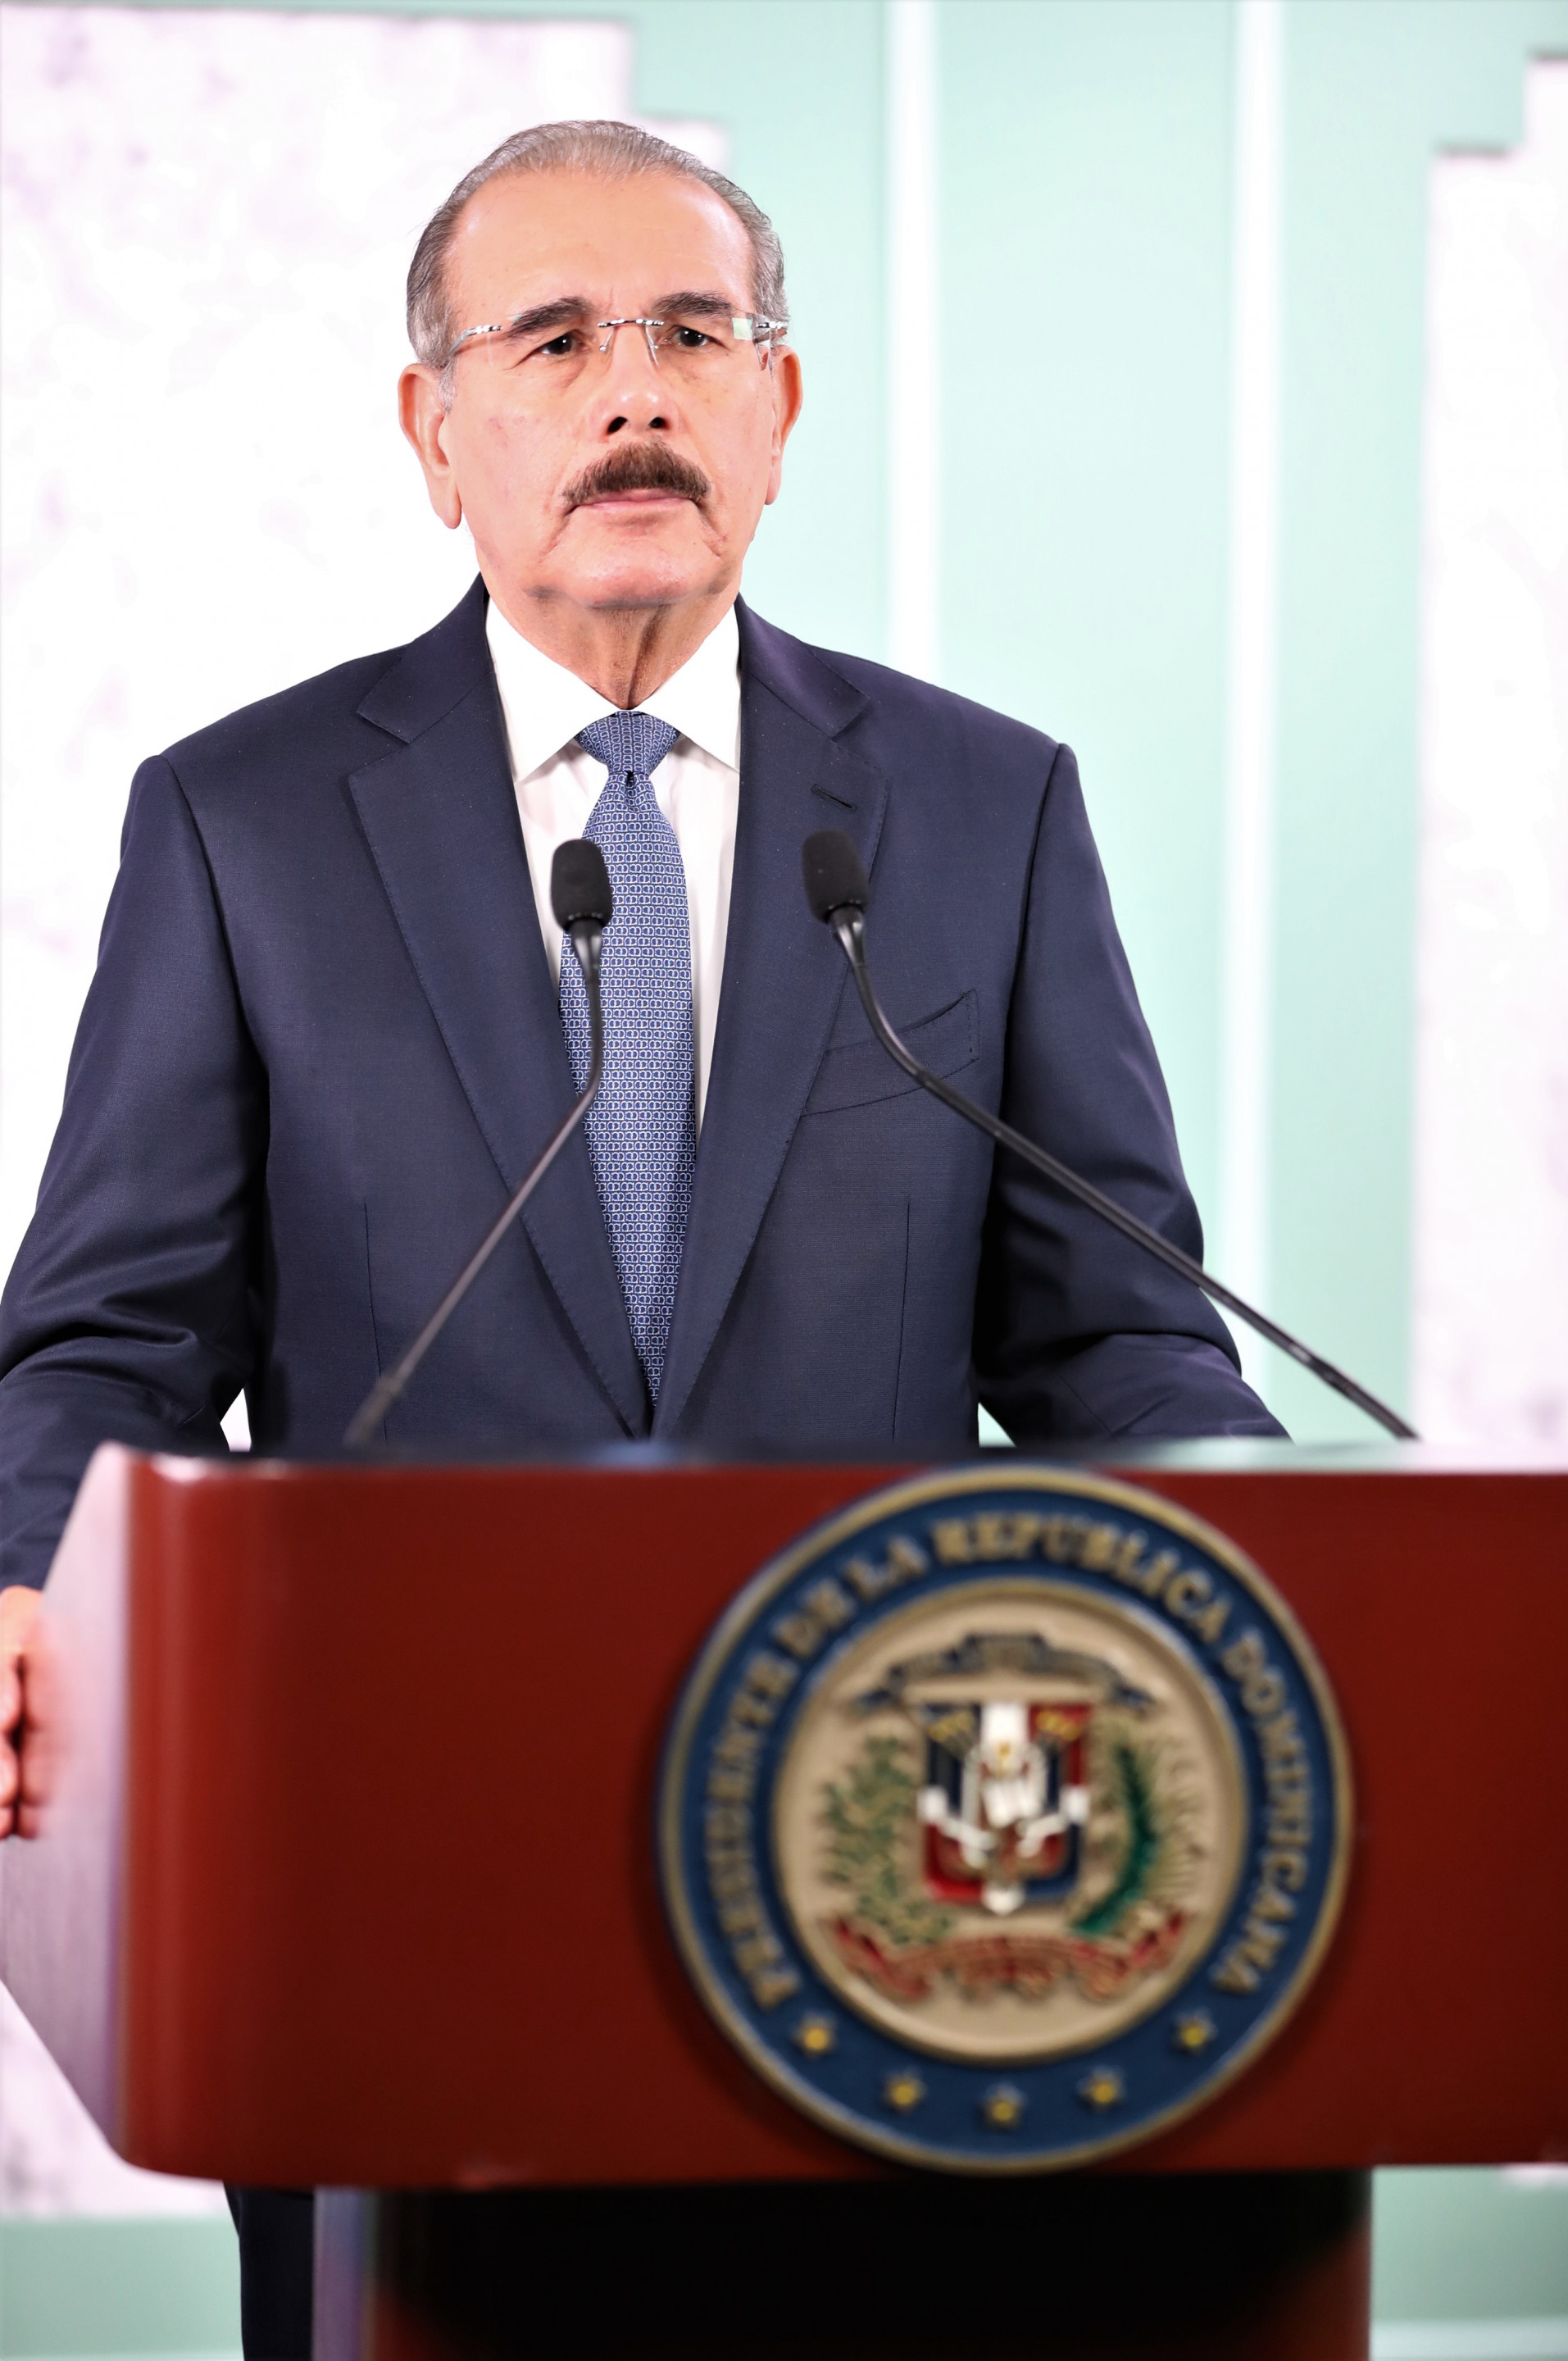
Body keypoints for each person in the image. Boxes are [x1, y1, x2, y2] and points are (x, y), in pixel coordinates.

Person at [0, 120, 1279, 2348]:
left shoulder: (982, 808)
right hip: (388, 1870)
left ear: (776, 410)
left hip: (884, 1905)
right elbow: (110, 1337)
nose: (635, 392)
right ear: (436, 433)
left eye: (696, 333)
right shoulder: (242, 823)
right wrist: (32, 1579)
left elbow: (1121, 1338)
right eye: (557, 340)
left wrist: (1278, 1578)